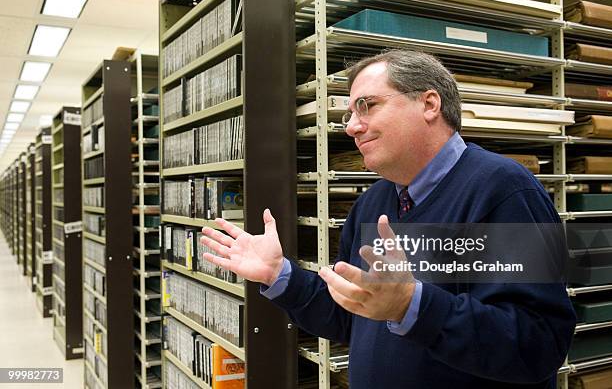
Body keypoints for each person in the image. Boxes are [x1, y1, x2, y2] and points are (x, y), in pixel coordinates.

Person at [200, 50, 576, 388]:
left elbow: (539, 344)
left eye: (367, 105)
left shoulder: (504, 189)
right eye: (349, 113)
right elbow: (350, 315)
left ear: (429, 104)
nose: (351, 126)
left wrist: (412, 306)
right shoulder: (375, 201)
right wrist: (280, 275)